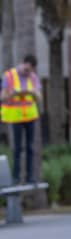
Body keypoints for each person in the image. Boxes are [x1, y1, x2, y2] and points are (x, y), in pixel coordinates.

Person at [1, 55, 40, 184]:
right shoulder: (9, 75)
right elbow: (2, 97)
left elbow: (39, 98)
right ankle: (16, 177)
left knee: (30, 148)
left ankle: (30, 177)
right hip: (16, 117)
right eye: (26, 70)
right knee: (17, 148)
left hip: (30, 117)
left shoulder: (33, 77)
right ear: (22, 63)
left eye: (30, 71)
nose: (27, 73)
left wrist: (32, 92)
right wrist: (14, 93)